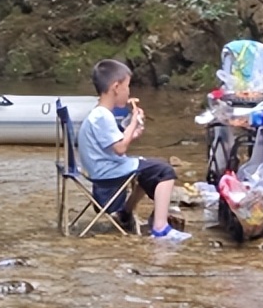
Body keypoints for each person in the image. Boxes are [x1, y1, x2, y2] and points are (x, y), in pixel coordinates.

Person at [78, 59, 191, 243]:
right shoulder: (102, 116)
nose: (129, 92)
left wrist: (134, 131)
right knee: (165, 171)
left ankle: (125, 212)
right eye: (127, 86)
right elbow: (120, 148)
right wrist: (132, 123)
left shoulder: (99, 113)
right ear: (116, 87)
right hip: (107, 173)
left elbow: (116, 143)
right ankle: (161, 228)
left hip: (104, 168)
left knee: (148, 169)